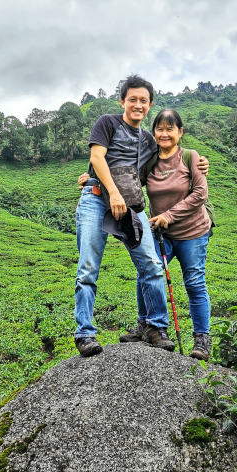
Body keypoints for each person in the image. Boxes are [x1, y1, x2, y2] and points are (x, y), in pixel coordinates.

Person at [75, 75, 209, 358]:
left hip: (132, 207)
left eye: (144, 101)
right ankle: (85, 334)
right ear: (122, 101)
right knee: (88, 268)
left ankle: (155, 327)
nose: (138, 105)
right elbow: (98, 158)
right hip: (97, 199)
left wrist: (201, 163)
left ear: (149, 105)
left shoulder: (147, 140)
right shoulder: (107, 123)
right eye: (132, 99)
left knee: (151, 265)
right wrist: (108, 190)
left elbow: (164, 164)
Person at [121, 109, 213, 360]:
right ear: (154, 133)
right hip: (162, 234)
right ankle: (145, 324)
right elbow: (129, 182)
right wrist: (94, 179)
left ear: (180, 132)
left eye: (170, 128)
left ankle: (202, 339)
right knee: (148, 272)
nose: (164, 133)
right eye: (159, 129)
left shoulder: (191, 157)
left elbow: (200, 195)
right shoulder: (150, 160)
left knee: (194, 282)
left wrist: (168, 215)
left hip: (193, 232)